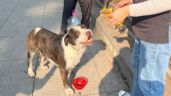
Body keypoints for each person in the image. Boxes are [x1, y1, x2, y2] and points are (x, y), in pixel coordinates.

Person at [109, 0, 171, 96]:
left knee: (150, 86)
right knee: (139, 71)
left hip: (156, 32)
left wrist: (127, 10)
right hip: (144, 28)